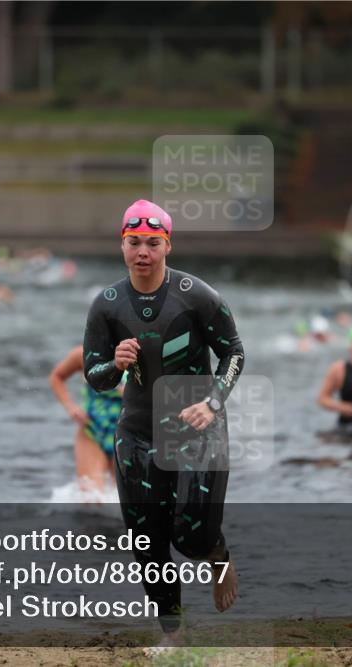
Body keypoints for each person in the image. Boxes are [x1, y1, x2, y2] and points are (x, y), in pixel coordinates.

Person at [83, 199, 244, 644]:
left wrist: (213, 403)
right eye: (134, 242)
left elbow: (234, 352)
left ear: (167, 246)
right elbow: (94, 376)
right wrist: (115, 364)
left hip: (197, 426)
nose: (143, 252)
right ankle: (174, 633)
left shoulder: (197, 295)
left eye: (153, 243)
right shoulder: (107, 305)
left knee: (191, 537)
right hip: (136, 431)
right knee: (147, 543)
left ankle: (217, 555)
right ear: (122, 245)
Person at [49, 345, 123, 493]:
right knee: (91, 496)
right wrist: (70, 406)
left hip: (126, 433)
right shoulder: (85, 354)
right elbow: (57, 377)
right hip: (92, 430)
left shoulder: (138, 354)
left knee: (122, 497)